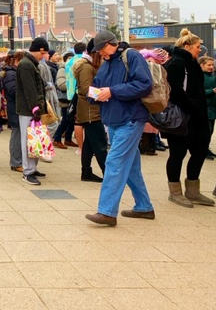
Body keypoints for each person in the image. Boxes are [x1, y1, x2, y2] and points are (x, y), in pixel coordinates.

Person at [85, 30, 155, 226]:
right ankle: (144, 206)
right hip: (115, 120)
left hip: (130, 119)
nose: (101, 54)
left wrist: (112, 91)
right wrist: (94, 94)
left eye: (102, 49)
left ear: (111, 43)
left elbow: (144, 85)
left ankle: (107, 212)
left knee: (114, 163)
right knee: (131, 166)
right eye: (98, 51)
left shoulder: (131, 56)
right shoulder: (107, 64)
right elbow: (96, 86)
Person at [164, 29, 214, 207]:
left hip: (197, 117)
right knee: (177, 154)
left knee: (200, 151)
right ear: (186, 46)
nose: (199, 50)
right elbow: (175, 91)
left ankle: (193, 190)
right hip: (181, 117)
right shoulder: (176, 63)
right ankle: (175, 192)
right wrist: (193, 107)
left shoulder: (192, 63)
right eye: (197, 46)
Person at [16, 37, 50, 185]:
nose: (43, 57)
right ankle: (28, 171)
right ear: (39, 50)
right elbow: (29, 89)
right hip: (28, 109)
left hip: (31, 108)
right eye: (43, 53)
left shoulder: (29, 63)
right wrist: (35, 107)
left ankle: (32, 167)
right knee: (28, 140)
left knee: (34, 139)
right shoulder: (27, 65)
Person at [72, 39, 107, 182]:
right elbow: (86, 90)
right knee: (100, 144)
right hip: (90, 111)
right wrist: (106, 94)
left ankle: (86, 172)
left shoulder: (88, 65)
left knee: (89, 144)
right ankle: (108, 173)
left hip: (90, 110)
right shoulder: (86, 67)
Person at [2, 51, 24, 172]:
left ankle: (18, 161)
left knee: (19, 134)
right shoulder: (11, 73)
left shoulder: (13, 72)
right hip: (15, 107)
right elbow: (13, 90)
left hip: (17, 107)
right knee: (17, 135)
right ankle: (16, 162)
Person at [200, 56, 216, 159]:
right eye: (209, 65)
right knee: (206, 131)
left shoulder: (213, 76)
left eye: (212, 65)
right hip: (205, 108)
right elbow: (199, 93)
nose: (211, 67)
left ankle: (206, 148)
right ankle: (202, 150)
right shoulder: (200, 77)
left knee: (211, 131)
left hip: (213, 108)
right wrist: (212, 91)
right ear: (201, 65)